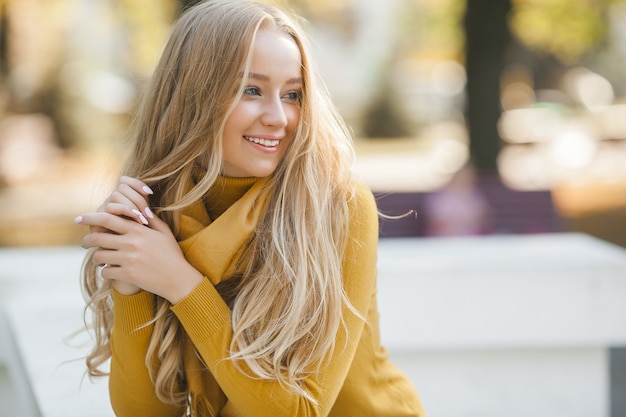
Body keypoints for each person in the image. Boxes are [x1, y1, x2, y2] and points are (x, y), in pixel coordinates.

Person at [75, 1, 427, 416]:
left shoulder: (337, 206)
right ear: (193, 95)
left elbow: (298, 411)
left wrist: (181, 283)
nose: (279, 117)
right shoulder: (157, 216)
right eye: (251, 90)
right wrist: (130, 281)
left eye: (293, 94)